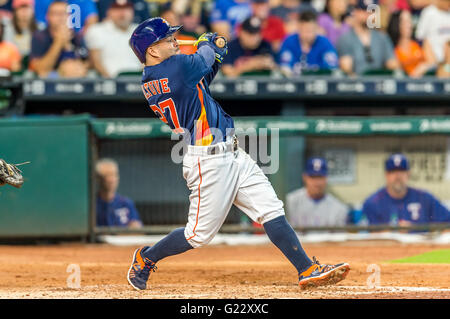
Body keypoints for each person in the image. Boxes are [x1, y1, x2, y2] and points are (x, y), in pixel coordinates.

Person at [126, 17, 350, 291]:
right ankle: (146, 258)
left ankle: (307, 269)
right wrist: (212, 43)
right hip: (207, 159)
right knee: (197, 236)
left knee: (270, 209)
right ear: (152, 50)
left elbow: (202, 77)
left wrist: (215, 55)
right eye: (167, 39)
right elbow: (202, 58)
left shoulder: (155, 75)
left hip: (230, 152)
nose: (174, 41)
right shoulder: (174, 67)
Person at [362, 154, 450, 227]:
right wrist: (394, 231)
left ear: (408, 174)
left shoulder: (424, 198)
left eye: (401, 171)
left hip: (422, 246)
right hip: (388, 247)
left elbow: (447, 221)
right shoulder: (373, 202)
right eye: (393, 172)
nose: (397, 176)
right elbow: (365, 234)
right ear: (386, 175)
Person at [337, 0, 400, 76]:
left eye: (373, 11)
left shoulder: (382, 37)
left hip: (379, 83)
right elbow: (346, 69)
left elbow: (393, 65)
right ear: (356, 12)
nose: (369, 15)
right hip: (356, 84)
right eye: (365, 10)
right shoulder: (346, 38)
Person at [29, 0, 89, 78]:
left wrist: (69, 49)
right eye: (56, 14)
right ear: (48, 17)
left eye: (64, 13)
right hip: (48, 82)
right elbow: (40, 69)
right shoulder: (39, 37)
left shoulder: (77, 36)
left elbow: (86, 64)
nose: (61, 17)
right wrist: (58, 43)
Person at [286, 157, 349, 228]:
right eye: (313, 177)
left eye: (320, 177)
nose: (317, 182)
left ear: (326, 178)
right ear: (304, 177)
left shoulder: (339, 208)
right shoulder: (290, 201)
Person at [85, 0, 141, 78]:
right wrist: (111, 82)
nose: (122, 13)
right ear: (109, 12)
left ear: (133, 12)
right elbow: (96, 61)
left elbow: (148, 61)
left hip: (138, 80)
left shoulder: (141, 31)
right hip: (109, 80)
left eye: (126, 9)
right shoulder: (97, 30)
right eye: (117, 9)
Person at [278, 10, 339, 76]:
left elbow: (332, 69)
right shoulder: (289, 41)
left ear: (316, 28)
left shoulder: (325, 43)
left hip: (319, 83)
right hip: (294, 83)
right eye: (305, 31)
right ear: (298, 28)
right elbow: (284, 67)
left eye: (311, 30)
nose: (308, 35)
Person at [96, 158, 143, 228]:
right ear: (98, 179)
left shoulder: (126, 203)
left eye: (114, 175)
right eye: (106, 176)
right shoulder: (92, 206)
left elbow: (137, 229)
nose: (111, 179)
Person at [387, 10, 432, 77]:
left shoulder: (420, 43)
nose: (409, 25)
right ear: (396, 23)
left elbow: (432, 62)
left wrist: (423, 67)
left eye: (410, 21)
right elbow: (391, 64)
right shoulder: (390, 45)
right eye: (405, 22)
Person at [415, 0, 450, 68]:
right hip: (432, 61)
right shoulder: (429, 12)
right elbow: (420, 38)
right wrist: (430, 59)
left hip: (447, 62)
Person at [34, 0, 98, 33]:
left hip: (77, 40)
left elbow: (92, 20)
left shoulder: (83, 1)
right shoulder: (42, 1)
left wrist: (79, 39)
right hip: (48, 38)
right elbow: (39, 24)